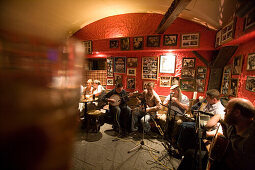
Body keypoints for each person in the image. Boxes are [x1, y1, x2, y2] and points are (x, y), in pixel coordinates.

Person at [178, 98, 255, 170]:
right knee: (190, 154)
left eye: (227, 109)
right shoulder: (232, 123)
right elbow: (215, 120)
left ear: (237, 113)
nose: (224, 110)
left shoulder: (251, 139)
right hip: (221, 159)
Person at [177, 89, 225, 154]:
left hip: (208, 129)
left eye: (207, 97)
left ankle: (180, 149)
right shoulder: (209, 103)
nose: (206, 99)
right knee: (183, 124)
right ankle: (182, 147)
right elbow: (202, 111)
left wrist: (206, 132)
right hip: (200, 123)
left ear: (214, 99)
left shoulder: (220, 110)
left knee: (185, 126)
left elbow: (218, 128)